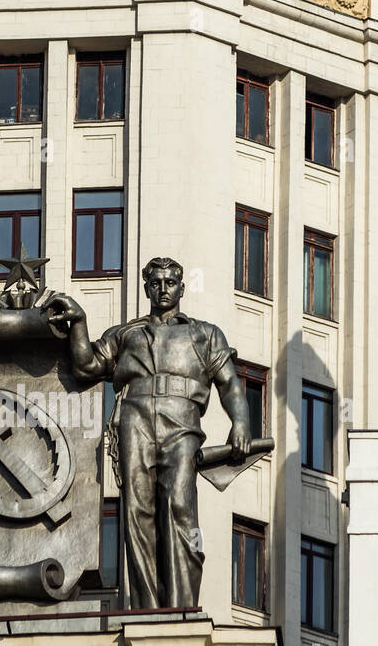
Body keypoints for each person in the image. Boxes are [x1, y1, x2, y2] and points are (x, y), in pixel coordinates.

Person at [48, 257, 250, 608]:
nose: (162, 289)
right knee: (136, 512)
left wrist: (241, 422)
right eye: (155, 283)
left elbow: (229, 383)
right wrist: (79, 323)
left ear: (182, 288)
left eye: (170, 283)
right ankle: (148, 611)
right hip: (135, 420)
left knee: (180, 507)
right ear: (146, 288)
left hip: (183, 423)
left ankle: (181, 607)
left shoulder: (205, 333)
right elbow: (87, 366)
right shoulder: (127, 334)